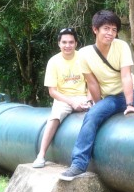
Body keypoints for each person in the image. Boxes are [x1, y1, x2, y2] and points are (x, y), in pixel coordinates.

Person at [59, 10, 134, 181]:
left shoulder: (121, 46)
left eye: (113, 29)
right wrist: (99, 105)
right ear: (95, 29)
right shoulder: (84, 54)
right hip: (110, 98)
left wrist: (130, 104)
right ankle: (78, 164)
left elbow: (126, 76)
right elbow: (93, 83)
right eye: (106, 28)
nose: (110, 33)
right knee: (92, 116)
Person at [32, 28, 92, 168]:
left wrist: (89, 101)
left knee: (95, 114)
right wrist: (71, 102)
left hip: (82, 97)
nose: (67, 45)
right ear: (59, 44)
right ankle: (41, 155)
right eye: (64, 42)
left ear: (76, 43)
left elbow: (91, 84)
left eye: (71, 42)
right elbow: (52, 91)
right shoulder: (53, 62)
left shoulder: (83, 59)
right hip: (63, 98)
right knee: (55, 117)